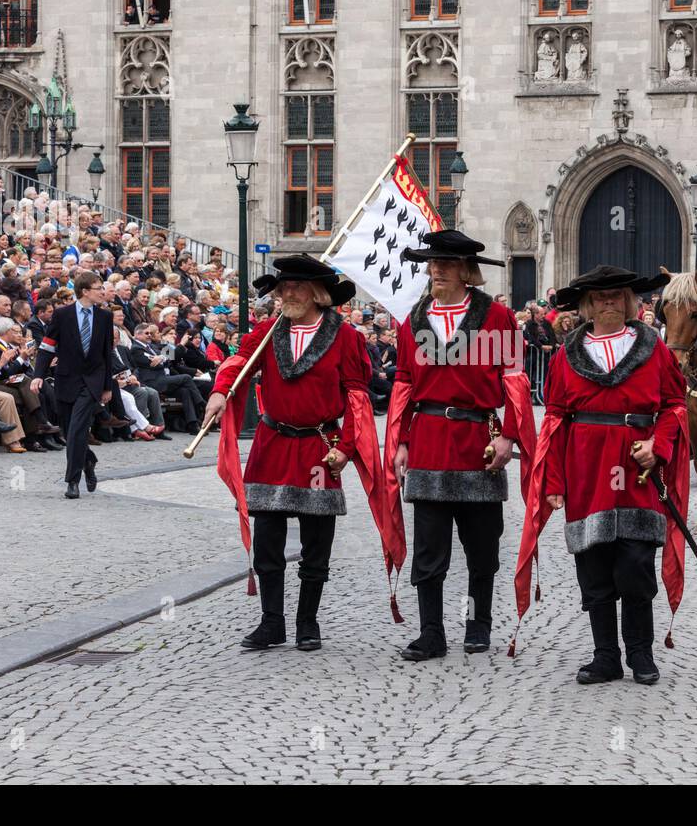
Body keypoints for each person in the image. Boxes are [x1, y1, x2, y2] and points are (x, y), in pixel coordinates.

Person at [203, 255, 380, 652]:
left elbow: (356, 396)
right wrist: (220, 391)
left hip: (320, 446)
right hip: (272, 443)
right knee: (267, 538)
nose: (287, 294)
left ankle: (307, 622)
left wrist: (347, 448)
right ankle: (271, 622)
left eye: (296, 287)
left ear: (317, 294)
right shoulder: (268, 331)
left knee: (317, 540)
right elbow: (238, 363)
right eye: (283, 288)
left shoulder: (346, 337)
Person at [520, 265, 687, 685]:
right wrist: (554, 483)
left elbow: (674, 405)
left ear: (630, 302)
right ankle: (605, 656)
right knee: (593, 565)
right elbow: (555, 418)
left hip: (637, 470)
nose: (609, 302)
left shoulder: (656, 349)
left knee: (635, 563)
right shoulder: (565, 356)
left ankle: (641, 654)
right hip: (586, 469)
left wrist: (659, 446)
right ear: (588, 304)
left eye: (617, 296)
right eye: (600, 297)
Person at [392, 230, 535, 660]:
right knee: (429, 548)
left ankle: (478, 624)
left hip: (480, 441)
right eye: (433, 263)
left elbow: (514, 379)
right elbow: (402, 384)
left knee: (482, 548)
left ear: (466, 272)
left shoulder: (498, 319)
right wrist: (400, 441)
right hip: (430, 440)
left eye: (446, 264)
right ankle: (431, 633)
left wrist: (510, 434)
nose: (436, 270)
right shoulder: (412, 320)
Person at [32, 272, 115, 499]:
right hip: (66, 379)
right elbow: (47, 347)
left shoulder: (105, 317)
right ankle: (88, 460)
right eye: (98, 287)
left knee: (78, 427)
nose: (103, 291)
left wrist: (107, 386)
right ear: (85, 291)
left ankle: (72, 481)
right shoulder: (62, 315)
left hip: (93, 381)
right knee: (71, 432)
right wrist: (38, 375)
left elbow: (107, 353)